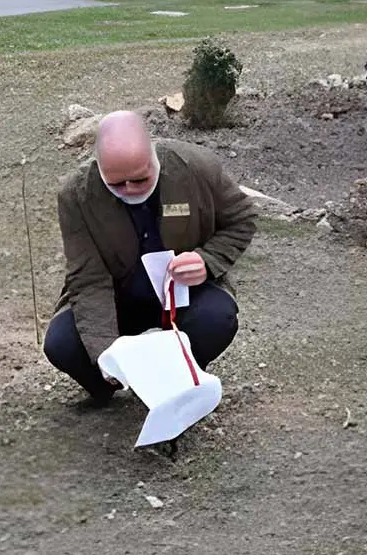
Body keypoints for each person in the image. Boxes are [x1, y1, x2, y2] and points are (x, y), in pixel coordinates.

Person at [43, 110, 258, 406]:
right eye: (116, 184)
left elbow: (242, 220)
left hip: (183, 297)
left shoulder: (197, 167)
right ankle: (109, 390)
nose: (128, 190)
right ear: (99, 168)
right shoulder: (75, 194)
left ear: (153, 159)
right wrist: (106, 353)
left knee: (217, 318)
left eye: (139, 180)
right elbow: (88, 278)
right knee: (62, 343)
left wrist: (207, 260)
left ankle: (182, 382)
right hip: (117, 298)